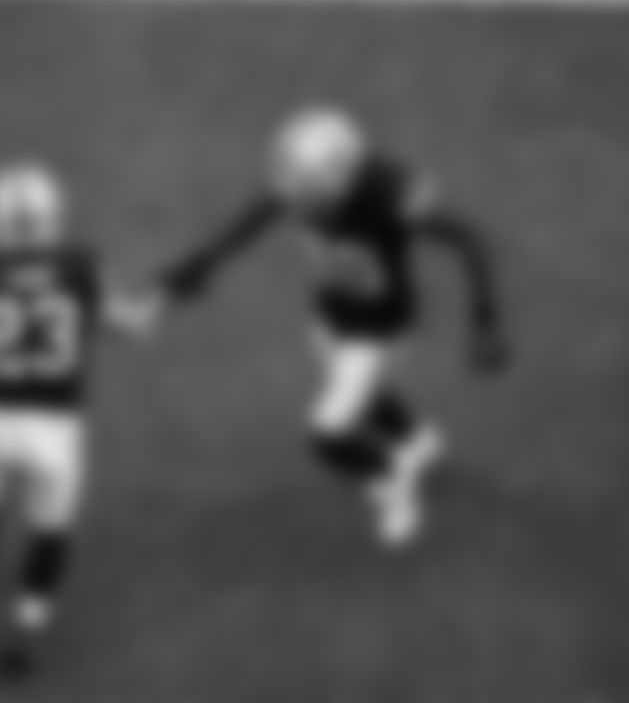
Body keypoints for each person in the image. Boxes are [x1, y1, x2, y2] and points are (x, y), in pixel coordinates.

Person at [157, 107, 510, 548]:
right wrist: (201, 264)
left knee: (328, 434)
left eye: (307, 188)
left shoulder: (385, 190)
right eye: (295, 184)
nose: (297, 199)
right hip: (332, 315)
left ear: (338, 177)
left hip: (381, 330)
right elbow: (254, 218)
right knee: (359, 389)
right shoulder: (304, 183)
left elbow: (468, 237)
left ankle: (392, 486)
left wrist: (485, 318)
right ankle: (417, 440)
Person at [0, 162, 152, 675]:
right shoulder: (81, 265)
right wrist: (153, 306)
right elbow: (128, 326)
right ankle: (24, 633)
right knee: (49, 531)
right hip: (57, 427)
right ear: (54, 215)